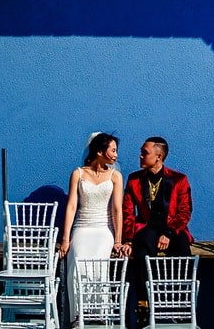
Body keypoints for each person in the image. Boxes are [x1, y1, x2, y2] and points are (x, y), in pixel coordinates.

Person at [120, 137, 192, 319]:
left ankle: (181, 304)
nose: (140, 156)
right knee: (141, 249)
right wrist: (128, 239)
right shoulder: (134, 179)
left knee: (183, 249)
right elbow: (127, 212)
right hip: (147, 226)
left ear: (158, 157)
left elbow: (184, 212)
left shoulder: (179, 179)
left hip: (172, 228)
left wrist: (169, 233)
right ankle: (144, 304)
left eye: (145, 153)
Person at [59, 132, 125, 326]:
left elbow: (117, 209)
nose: (116, 155)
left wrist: (118, 239)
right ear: (99, 151)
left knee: (99, 261)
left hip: (103, 228)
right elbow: (72, 206)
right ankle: (78, 315)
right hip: (82, 226)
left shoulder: (115, 176)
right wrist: (65, 239)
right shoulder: (78, 174)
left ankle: (99, 315)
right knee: (77, 259)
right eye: (113, 150)